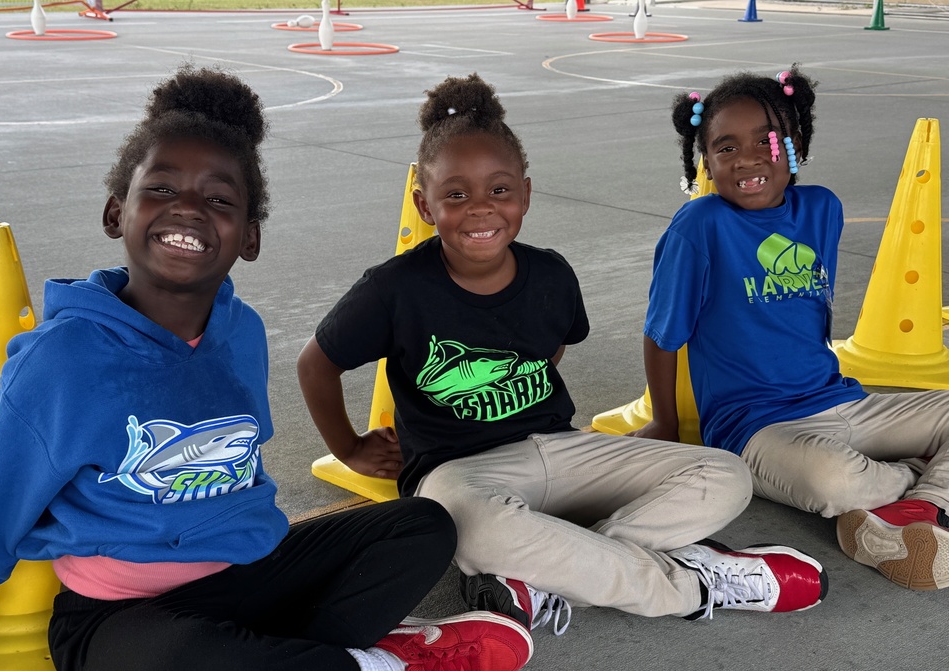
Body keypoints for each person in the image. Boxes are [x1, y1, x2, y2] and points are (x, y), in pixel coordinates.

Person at [0, 66, 536, 671]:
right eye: (161, 189)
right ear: (116, 213)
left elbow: (241, 471)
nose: (187, 209)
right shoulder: (62, 361)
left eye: (218, 199)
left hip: (250, 577)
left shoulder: (241, 332)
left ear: (249, 236)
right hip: (120, 621)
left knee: (423, 526)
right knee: (193, 665)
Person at [297, 72, 828, 642]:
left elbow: (550, 349)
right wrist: (349, 448)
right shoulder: (393, 289)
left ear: (525, 194)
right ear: (423, 205)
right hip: (459, 472)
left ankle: (544, 575)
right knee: (466, 530)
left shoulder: (551, 274)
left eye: (499, 190)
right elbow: (316, 364)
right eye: (456, 195)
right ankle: (694, 584)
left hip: (562, 449)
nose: (480, 209)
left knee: (725, 475)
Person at [637, 65, 949, 591]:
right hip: (757, 427)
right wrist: (665, 422)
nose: (748, 158)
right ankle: (920, 484)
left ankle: (911, 508)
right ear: (706, 161)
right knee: (833, 479)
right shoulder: (700, 225)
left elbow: (810, 310)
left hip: (844, 402)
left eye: (767, 140)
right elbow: (662, 333)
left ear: (796, 143)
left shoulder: (823, 208)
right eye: (726, 148)